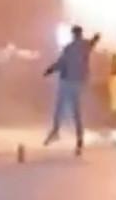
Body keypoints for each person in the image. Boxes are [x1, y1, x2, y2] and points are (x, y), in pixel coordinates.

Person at [43, 25, 101, 155]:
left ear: (73, 34)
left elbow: (61, 63)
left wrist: (50, 70)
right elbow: (92, 44)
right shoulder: (84, 46)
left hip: (67, 81)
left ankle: (56, 131)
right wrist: (96, 38)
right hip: (78, 82)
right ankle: (79, 138)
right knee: (76, 111)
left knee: (60, 108)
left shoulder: (70, 47)